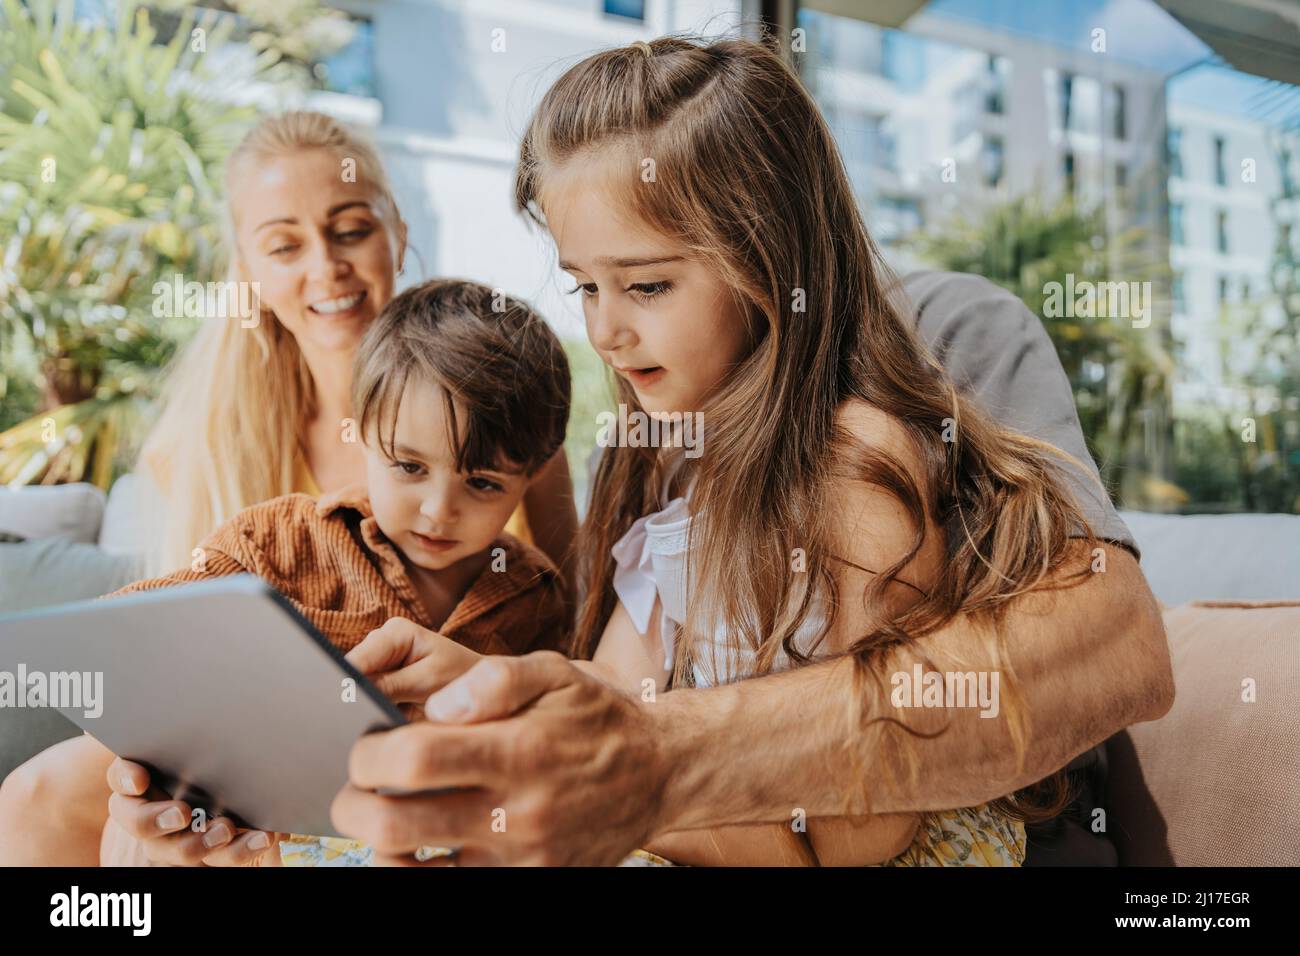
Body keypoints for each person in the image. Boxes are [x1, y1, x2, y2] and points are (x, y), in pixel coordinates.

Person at [327, 35, 1173, 867]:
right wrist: (487, 711)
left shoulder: (916, 379)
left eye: (647, 284)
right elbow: (621, 702)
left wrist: (644, 785)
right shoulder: (654, 448)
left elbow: (1117, 647)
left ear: (765, 253)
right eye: (583, 284)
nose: (603, 331)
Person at [0, 114, 578, 866]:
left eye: (349, 229)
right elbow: (177, 655)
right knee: (72, 797)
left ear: (397, 232)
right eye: (284, 244)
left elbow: (579, 625)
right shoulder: (211, 447)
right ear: (248, 267)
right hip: (267, 753)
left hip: (465, 746)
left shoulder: (505, 406)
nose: (327, 268)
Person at [101, 278, 572, 866]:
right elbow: (126, 633)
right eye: (408, 466)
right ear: (362, 430)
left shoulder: (537, 595)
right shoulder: (278, 543)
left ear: (531, 476)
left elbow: (557, 760)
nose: (438, 510)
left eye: (481, 484)